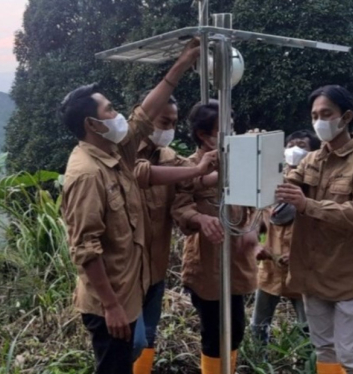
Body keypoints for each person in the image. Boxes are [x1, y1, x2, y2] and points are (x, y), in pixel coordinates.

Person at [61, 39, 216, 374]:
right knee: (114, 367)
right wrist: (111, 305)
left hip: (134, 288)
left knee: (134, 354)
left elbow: (144, 115)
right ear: (92, 124)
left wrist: (182, 63)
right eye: (109, 110)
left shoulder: (117, 152)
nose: (118, 115)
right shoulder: (87, 174)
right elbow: (86, 250)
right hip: (111, 301)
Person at [276, 85, 353, 374]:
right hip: (313, 272)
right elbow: (284, 186)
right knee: (325, 349)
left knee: (352, 357)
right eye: (314, 115)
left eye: (326, 114)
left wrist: (307, 205)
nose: (318, 121)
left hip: (346, 274)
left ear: (346, 116)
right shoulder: (312, 159)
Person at [171, 100, 258, 374]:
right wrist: (200, 218)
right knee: (214, 334)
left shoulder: (241, 160)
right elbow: (179, 207)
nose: (230, 131)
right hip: (206, 266)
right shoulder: (189, 166)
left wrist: (254, 228)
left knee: (235, 330)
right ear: (203, 135)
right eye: (224, 127)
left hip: (237, 263)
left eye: (231, 125)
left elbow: (257, 203)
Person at [131, 91, 191, 374]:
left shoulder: (170, 157)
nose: (168, 129)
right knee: (131, 340)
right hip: (127, 272)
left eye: (174, 123)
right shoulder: (121, 153)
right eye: (163, 121)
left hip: (156, 267)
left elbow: (196, 178)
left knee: (149, 336)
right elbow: (143, 174)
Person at [251, 129, 321, 346]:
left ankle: (307, 365)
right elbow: (255, 224)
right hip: (270, 268)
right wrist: (255, 246)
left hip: (303, 271)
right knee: (258, 325)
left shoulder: (316, 189)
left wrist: (301, 253)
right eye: (290, 145)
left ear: (313, 153)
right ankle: (258, 361)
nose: (294, 150)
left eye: (301, 145)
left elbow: (324, 232)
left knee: (307, 327)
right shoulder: (271, 186)